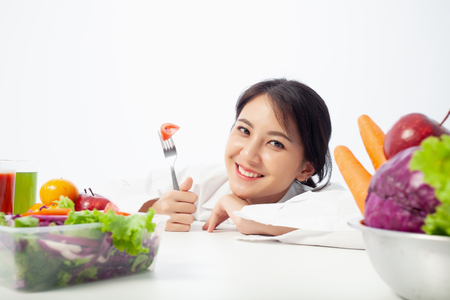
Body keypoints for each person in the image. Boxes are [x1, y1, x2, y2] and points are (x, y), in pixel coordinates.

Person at [133, 78, 355, 234]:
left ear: (306, 168)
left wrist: (244, 215)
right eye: (244, 130)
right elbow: (110, 192)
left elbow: (350, 218)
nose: (248, 154)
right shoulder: (199, 183)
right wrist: (153, 210)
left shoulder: (324, 200)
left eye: (275, 143)